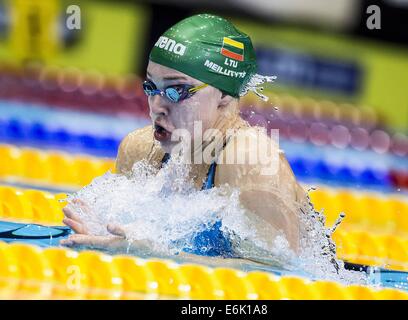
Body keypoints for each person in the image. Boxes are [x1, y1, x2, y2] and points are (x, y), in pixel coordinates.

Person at [61, 14, 310, 266]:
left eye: (176, 90)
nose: (157, 106)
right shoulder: (140, 149)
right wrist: (103, 236)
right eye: (151, 87)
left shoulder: (252, 163)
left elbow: (277, 274)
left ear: (223, 96)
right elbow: (131, 243)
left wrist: (157, 255)